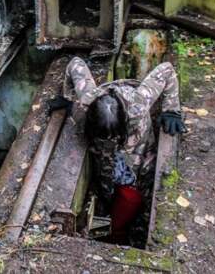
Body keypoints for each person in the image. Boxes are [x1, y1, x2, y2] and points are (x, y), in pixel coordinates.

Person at [49, 56, 186, 244]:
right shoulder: (85, 103)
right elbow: (75, 63)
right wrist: (67, 98)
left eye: (112, 136)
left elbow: (167, 69)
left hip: (138, 149)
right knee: (106, 195)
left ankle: (135, 233)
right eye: (103, 136)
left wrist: (171, 109)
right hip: (107, 159)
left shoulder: (139, 104)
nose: (109, 140)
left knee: (140, 195)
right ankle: (103, 236)